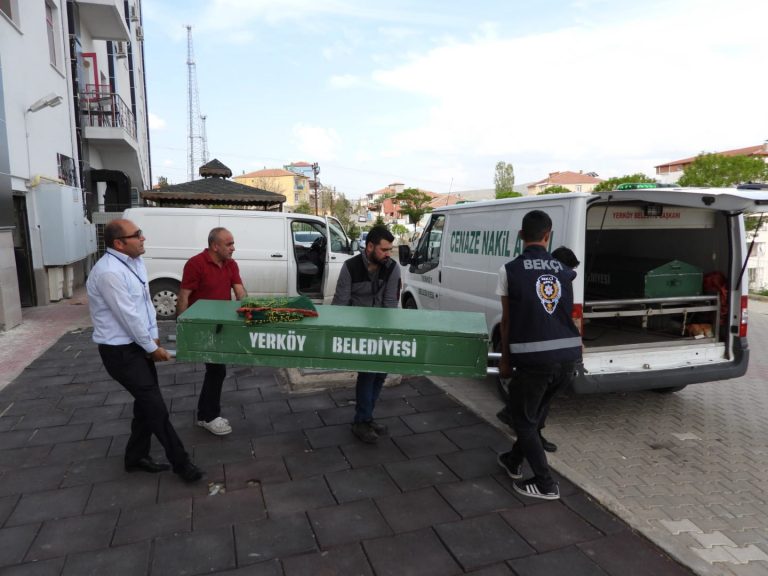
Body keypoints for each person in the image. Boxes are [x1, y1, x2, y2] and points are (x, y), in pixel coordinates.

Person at [87, 219, 203, 483]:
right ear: (119, 243)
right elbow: (128, 316)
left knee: (145, 405)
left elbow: (145, 305)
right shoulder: (109, 273)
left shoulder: (135, 262)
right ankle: (182, 464)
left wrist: (153, 337)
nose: (143, 238)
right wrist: (151, 347)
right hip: (120, 353)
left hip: (138, 346)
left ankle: (135, 457)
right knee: (155, 408)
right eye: (137, 234)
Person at [495, 211, 582, 500]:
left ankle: (545, 484)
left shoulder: (510, 270)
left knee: (522, 421)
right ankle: (513, 460)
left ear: (521, 235)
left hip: (535, 362)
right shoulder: (564, 270)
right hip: (567, 358)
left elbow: (507, 321)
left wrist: (505, 360)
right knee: (533, 418)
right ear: (548, 236)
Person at [496, 244, 580, 452]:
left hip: (542, 356)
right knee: (532, 408)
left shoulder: (553, 280)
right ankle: (535, 459)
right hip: (537, 356)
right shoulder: (543, 279)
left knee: (533, 403)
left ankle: (517, 441)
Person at [332, 226, 401, 443]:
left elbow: (390, 303)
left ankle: (366, 417)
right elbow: (340, 304)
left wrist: (389, 335)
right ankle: (361, 421)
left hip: (382, 329)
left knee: (380, 374)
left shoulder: (392, 268)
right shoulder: (350, 267)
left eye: (390, 250)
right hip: (359, 330)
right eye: (384, 250)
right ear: (370, 247)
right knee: (369, 373)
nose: (388, 254)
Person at [177, 227, 246, 436]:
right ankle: (209, 417)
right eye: (229, 244)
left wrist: (249, 311)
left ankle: (205, 415)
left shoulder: (231, 264)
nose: (233, 248)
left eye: (233, 243)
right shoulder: (196, 264)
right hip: (203, 327)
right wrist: (183, 330)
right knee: (217, 370)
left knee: (216, 371)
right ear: (215, 246)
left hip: (221, 326)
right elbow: (183, 297)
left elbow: (240, 291)